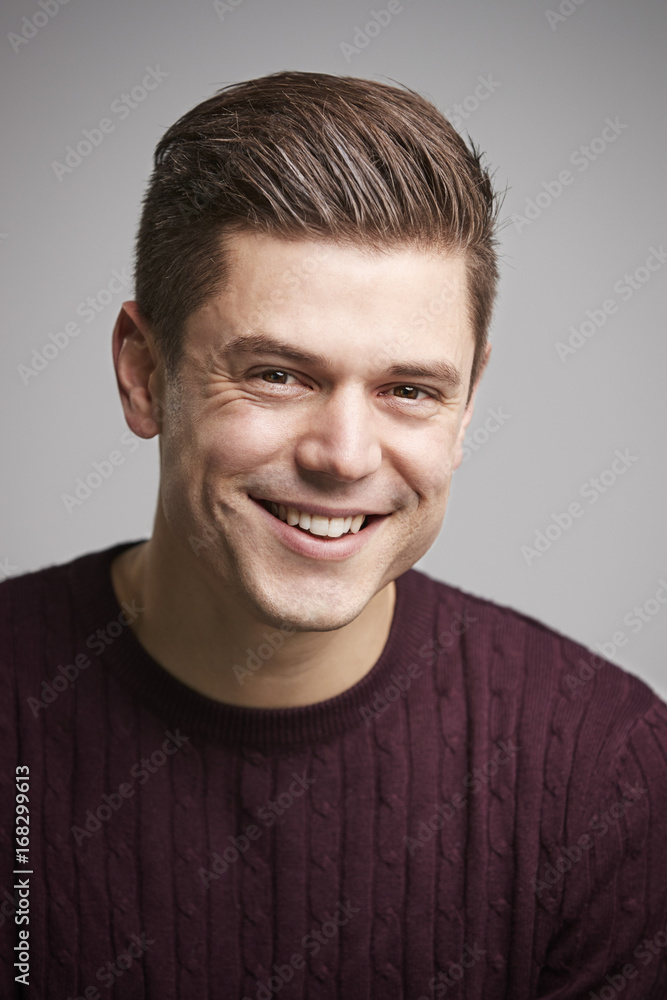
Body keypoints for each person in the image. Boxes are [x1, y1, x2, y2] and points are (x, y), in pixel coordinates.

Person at [1, 70, 666, 1000]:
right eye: (277, 374)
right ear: (145, 375)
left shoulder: (609, 772)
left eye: (409, 390)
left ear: (467, 400)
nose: (345, 457)